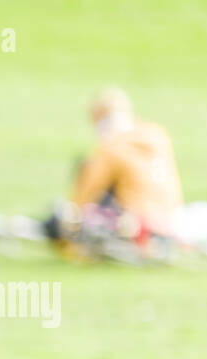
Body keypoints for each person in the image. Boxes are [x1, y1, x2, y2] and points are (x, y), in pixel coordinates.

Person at [45, 88, 185, 254]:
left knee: (62, 219)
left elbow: (85, 195)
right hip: (171, 220)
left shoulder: (112, 148)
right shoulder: (157, 136)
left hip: (137, 225)